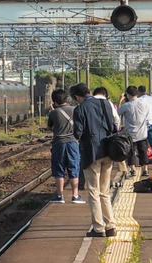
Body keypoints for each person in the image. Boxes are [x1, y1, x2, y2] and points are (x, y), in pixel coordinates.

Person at [70, 83, 116, 238]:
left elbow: (78, 133)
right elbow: (114, 125)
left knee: (93, 191)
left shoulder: (80, 109)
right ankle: (111, 226)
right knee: (105, 191)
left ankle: (98, 227)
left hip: (92, 154)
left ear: (77, 97)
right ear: (89, 91)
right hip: (108, 151)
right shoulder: (105, 103)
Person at [47, 88, 85, 205]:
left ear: (54, 101)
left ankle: (60, 196)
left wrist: (54, 111)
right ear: (66, 99)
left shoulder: (53, 113)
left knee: (59, 170)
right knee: (74, 168)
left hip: (59, 143)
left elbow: (50, 127)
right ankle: (75, 195)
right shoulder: (75, 110)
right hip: (73, 143)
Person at [93, 86, 125, 187]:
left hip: (94, 139)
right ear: (105, 95)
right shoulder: (108, 104)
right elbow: (116, 119)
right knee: (107, 164)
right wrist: (116, 131)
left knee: (95, 165)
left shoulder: (88, 104)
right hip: (108, 137)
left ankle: (96, 184)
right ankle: (106, 186)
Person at [117, 85, 151, 178]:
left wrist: (120, 100)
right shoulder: (144, 103)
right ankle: (145, 169)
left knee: (131, 152)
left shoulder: (126, 105)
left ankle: (133, 169)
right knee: (143, 151)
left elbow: (117, 113)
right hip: (142, 132)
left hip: (130, 133)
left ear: (128, 95)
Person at [137, 85, 152, 161]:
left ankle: (146, 156)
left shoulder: (139, 100)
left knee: (143, 141)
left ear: (138, 92)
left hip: (144, 123)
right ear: (145, 91)